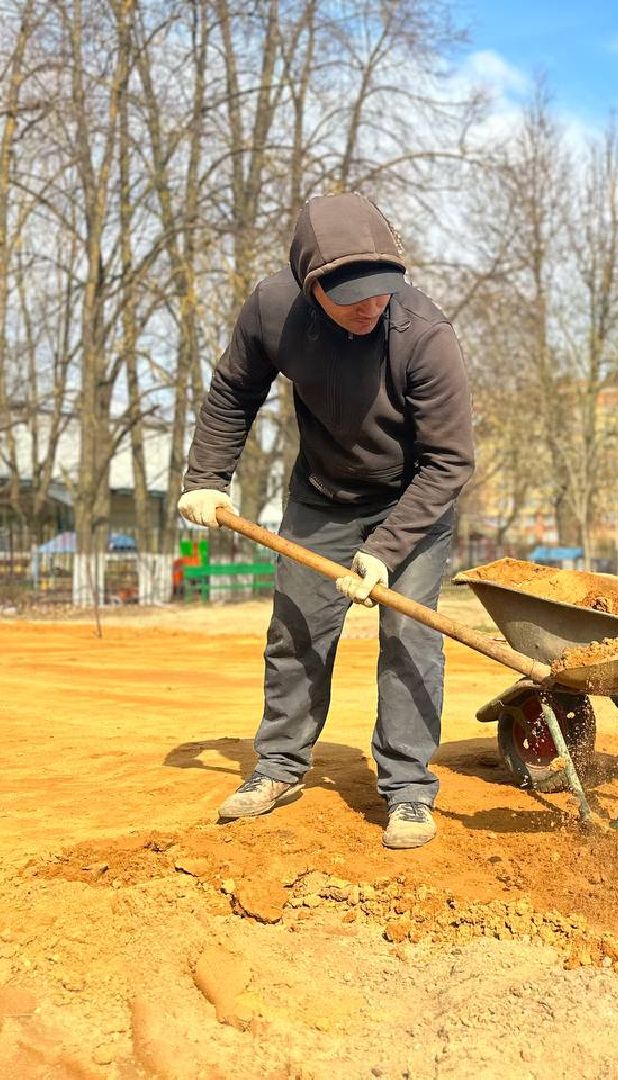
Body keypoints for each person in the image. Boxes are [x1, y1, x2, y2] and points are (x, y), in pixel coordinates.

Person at [177, 192, 475, 850]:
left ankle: (407, 789)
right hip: (319, 493)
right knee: (297, 630)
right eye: (354, 298)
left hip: (411, 500)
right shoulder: (273, 309)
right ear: (313, 286)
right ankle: (279, 765)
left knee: (408, 639)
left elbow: (451, 461)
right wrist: (206, 478)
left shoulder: (423, 335)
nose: (373, 306)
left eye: (382, 293)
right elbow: (234, 388)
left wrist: (386, 549)